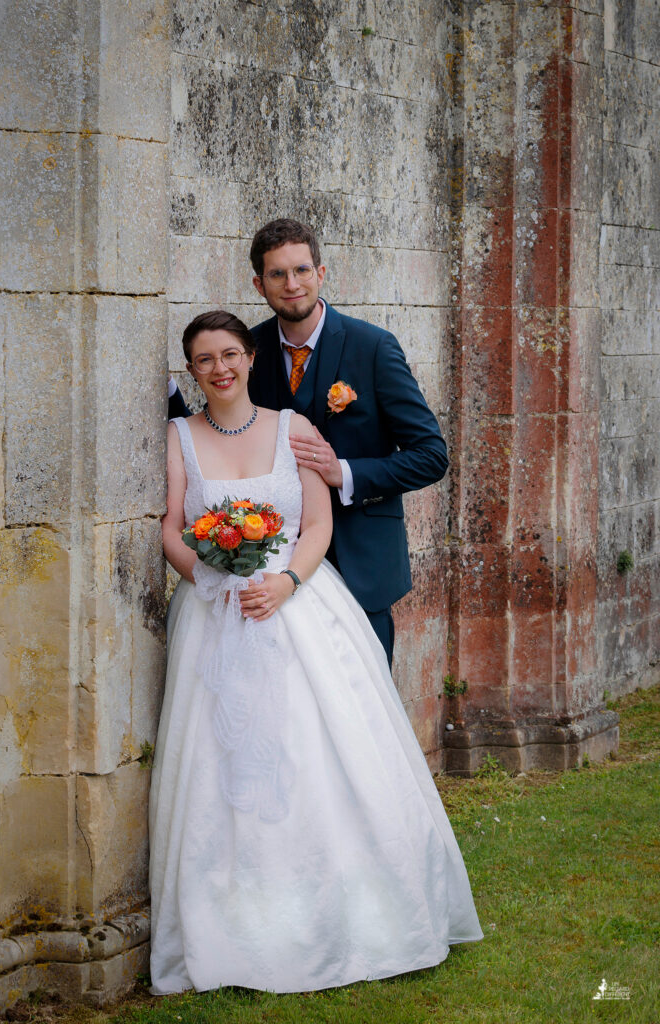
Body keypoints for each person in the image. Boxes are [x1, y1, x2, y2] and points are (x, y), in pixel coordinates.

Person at [150, 308, 482, 995]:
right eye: (204, 359)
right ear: (192, 370)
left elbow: (320, 522)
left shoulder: (295, 428)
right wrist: (211, 578)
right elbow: (173, 527)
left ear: (249, 358)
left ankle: (340, 906)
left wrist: (285, 582)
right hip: (216, 610)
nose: (219, 368)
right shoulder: (178, 437)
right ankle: (234, 916)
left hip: (299, 603)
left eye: (230, 354)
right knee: (220, 758)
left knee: (319, 749)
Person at [247, 218, 449, 667]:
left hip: (363, 564)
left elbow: (431, 456)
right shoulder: (248, 352)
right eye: (278, 274)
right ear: (260, 284)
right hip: (275, 564)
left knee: (366, 706)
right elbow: (221, 435)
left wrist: (346, 473)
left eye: (301, 270)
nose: (292, 284)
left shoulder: (373, 347)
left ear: (321, 273)